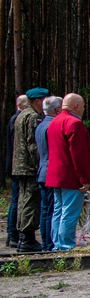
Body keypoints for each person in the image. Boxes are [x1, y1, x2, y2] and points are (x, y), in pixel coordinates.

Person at [46, 94, 90, 251]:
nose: (83, 109)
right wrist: (84, 178)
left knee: (58, 210)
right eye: (82, 105)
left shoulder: (55, 121)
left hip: (57, 174)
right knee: (69, 211)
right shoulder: (74, 123)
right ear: (76, 106)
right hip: (71, 176)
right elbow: (79, 155)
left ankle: (57, 242)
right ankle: (65, 245)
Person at [12, 87, 49, 252]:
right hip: (29, 166)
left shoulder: (22, 115)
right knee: (30, 202)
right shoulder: (33, 117)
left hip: (20, 165)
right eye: (44, 100)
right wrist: (39, 165)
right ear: (38, 101)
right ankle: (27, 239)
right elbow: (34, 146)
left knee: (23, 201)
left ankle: (22, 237)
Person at [35, 95, 63, 251]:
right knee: (53, 210)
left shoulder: (40, 125)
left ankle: (46, 243)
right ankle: (50, 243)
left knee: (46, 210)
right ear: (57, 110)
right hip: (52, 172)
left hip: (42, 170)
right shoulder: (54, 125)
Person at [6, 95, 28, 248]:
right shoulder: (18, 119)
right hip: (18, 166)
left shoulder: (17, 118)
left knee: (17, 200)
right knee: (16, 201)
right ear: (21, 104)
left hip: (16, 165)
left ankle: (13, 234)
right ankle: (13, 234)